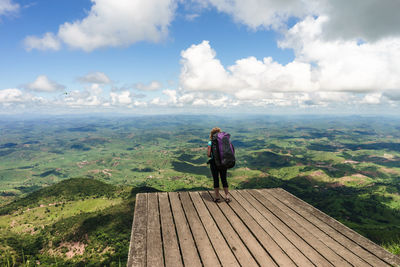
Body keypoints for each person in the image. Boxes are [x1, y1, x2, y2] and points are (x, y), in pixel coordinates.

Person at [207, 127, 231, 203]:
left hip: (214, 163)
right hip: (223, 162)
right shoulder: (224, 140)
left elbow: (208, 154)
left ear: (212, 134)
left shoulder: (210, 142)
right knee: (224, 179)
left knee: (216, 179)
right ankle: (227, 196)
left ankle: (217, 197)